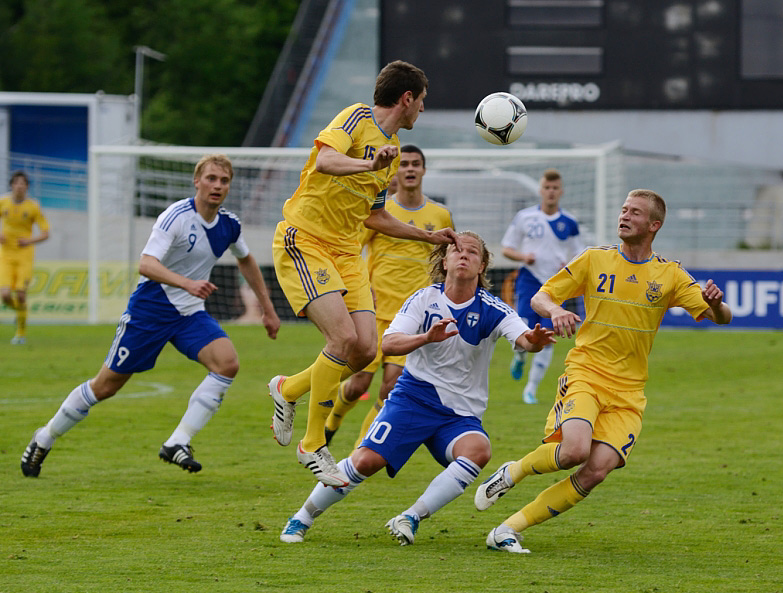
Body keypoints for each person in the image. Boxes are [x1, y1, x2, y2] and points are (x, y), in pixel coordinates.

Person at [475, 189, 732, 553]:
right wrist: (556, 311)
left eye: (635, 212)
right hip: (587, 373)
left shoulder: (669, 274)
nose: (625, 216)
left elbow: (722, 318)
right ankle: (513, 471)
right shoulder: (594, 259)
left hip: (629, 392)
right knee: (574, 451)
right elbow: (540, 297)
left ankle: (508, 530)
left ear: (654, 225)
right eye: (624, 209)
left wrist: (716, 306)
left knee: (596, 469)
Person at [279, 231, 555, 545]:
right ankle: (302, 517)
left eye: (472, 253)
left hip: (459, 415)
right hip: (413, 399)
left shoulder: (494, 308)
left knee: (478, 451)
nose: (463, 255)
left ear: (482, 266)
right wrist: (426, 337)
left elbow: (523, 338)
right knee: (365, 462)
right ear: (445, 260)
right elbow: (389, 342)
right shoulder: (425, 299)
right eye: (456, 251)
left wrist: (533, 342)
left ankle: (410, 517)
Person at [20, 154, 280, 477]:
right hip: (151, 310)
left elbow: (246, 261)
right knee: (105, 387)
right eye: (211, 179)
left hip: (188, 314)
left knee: (227, 363)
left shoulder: (229, 224)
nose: (217, 186)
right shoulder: (176, 217)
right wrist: (187, 283)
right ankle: (44, 437)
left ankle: (177, 442)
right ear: (197, 182)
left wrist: (268, 310)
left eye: (224, 181)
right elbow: (146, 264)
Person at [268, 60, 458, 488]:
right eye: (422, 102)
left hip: (347, 252)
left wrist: (428, 237)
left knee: (362, 352)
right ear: (406, 98)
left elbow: (375, 219)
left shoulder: (389, 157)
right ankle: (313, 444)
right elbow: (326, 162)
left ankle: (288, 389)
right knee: (343, 340)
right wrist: (369, 165)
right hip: (306, 239)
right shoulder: (356, 117)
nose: (422, 111)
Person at [323, 144, 454, 449]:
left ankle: (360, 449)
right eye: (404, 164)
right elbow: (352, 249)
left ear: (423, 170)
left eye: (415, 164)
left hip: (412, 317)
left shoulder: (440, 214)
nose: (409, 169)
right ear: (397, 170)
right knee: (357, 385)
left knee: (391, 386)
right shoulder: (380, 211)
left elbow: (447, 260)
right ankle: (332, 424)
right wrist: (356, 289)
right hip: (374, 310)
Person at [501, 168, 582, 404]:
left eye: (555, 188)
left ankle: (531, 389)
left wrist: (570, 264)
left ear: (561, 191)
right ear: (541, 190)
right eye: (547, 188)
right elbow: (507, 247)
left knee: (549, 335)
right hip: (530, 278)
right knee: (525, 326)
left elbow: (580, 253)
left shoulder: (569, 222)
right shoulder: (525, 217)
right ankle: (519, 357)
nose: (551, 192)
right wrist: (522, 257)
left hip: (557, 283)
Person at [0, 171, 50, 344]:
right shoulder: (3, 202)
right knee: (5, 295)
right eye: (16, 183)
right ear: (11, 185)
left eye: (23, 184)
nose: (19, 186)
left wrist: (29, 240)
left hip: (24, 256)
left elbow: (46, 233)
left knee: (21, 295)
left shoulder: (33, 206)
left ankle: (20, 334)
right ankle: (19, 312)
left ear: (27, 187)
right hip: (6, 255)